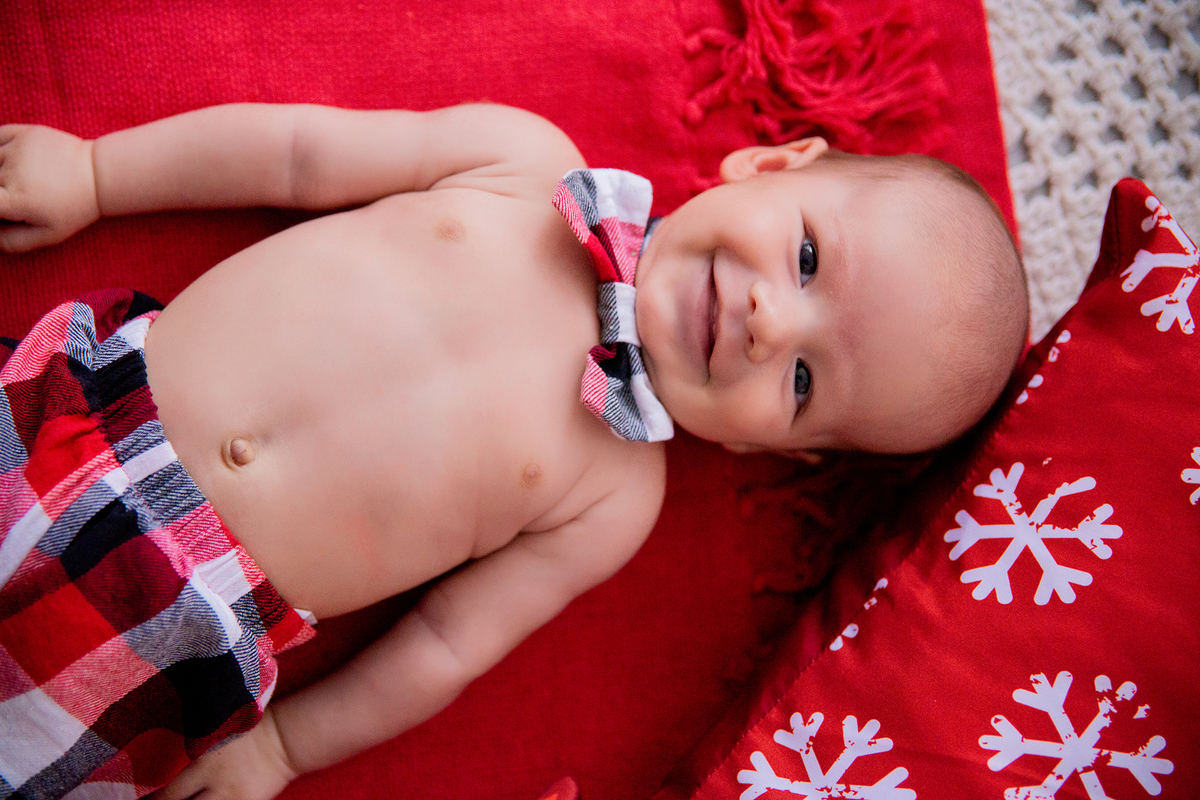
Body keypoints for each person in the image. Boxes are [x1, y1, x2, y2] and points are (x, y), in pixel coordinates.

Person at [0, 102, 1028, 799]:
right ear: (770, 164)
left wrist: (281, 746)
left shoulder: (615, 495)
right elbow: (296, 152)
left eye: (804, 383)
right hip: (80, 412)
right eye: (806, 256)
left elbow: (446, 644)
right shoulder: (524, 163)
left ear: (788, 453)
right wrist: (96, 172)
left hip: (174, 638)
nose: (770, 321)